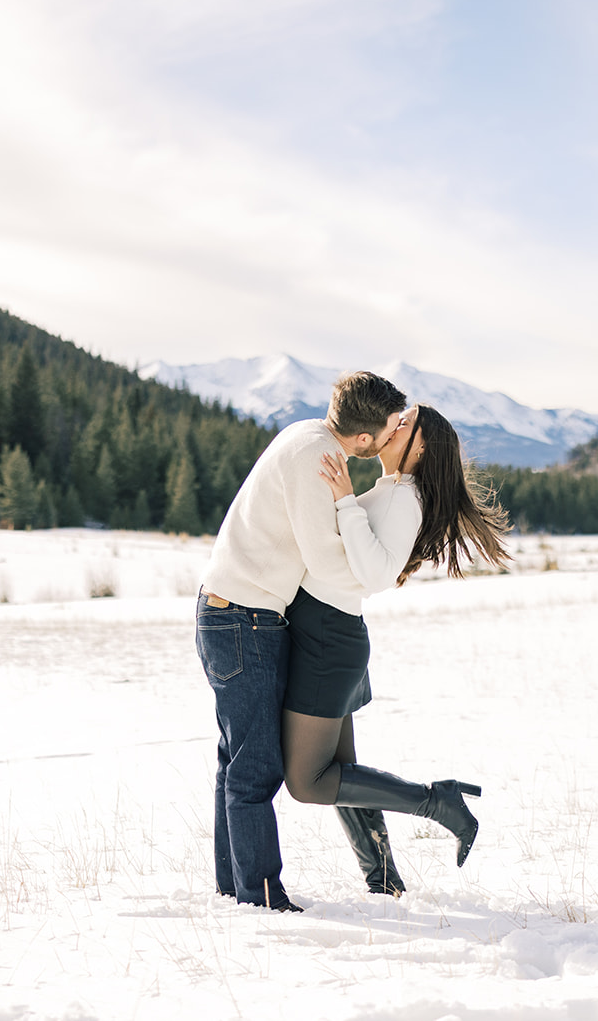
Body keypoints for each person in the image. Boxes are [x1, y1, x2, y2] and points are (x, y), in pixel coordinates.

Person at [196, 371, 406, 911]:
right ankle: (261, 895)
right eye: (389, 430)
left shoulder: (305, 434)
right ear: (365, 440)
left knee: (236, 760)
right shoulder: (318, 463)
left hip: (230, 611)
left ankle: (234, 884)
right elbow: (328, 561)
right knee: (256, 767)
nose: (393, 436)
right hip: (245, 618)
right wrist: (377, 571)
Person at [281, 404, 511, 893]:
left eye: (406, 424)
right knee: (342, 773)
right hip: (332, 632)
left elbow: (377, 574)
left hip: (329, 638)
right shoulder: (390, 490)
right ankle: (382, 878)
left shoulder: (405, 498)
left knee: (308, 782)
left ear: (421, 447)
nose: (393, 425)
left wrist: (344, 501)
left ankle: (437, 802)